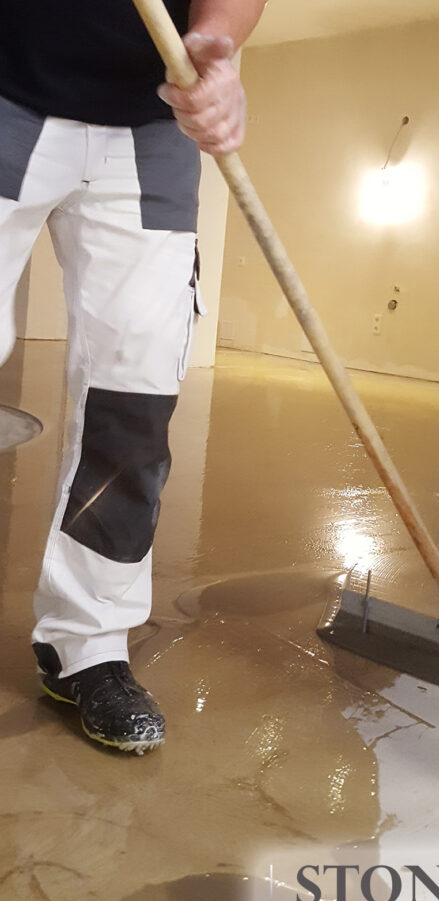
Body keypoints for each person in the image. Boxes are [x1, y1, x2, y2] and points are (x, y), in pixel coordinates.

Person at [0, 0, 266, 754]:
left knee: (135, 397)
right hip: (8, 86)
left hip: (151, 118)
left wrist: (218, 47)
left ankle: (86, 646)